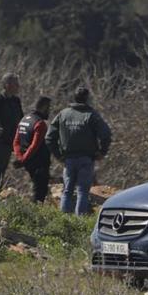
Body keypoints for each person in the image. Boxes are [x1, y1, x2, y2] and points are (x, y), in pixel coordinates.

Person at [49, 87, 112, 215]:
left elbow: (49, 137)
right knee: (83, 191)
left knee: (67, 190)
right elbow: (106, 134)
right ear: (87, 99)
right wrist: (102, 152)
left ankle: (63, 221)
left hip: (68, 159)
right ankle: (80, 222)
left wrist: (58, 155)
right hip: (86, 159)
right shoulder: (91, 115)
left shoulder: (63, 114)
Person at [12, 96, 53, 203]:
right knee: (39, 192)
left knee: (36, 187)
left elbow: (16, 142)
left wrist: (20, 158)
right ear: (43, 107)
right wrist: (23, 159)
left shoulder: (24, 119)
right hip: (38, 162)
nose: (49, 111)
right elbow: (35, 145)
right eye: (48, 108)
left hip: (28, 161)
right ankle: (34, 215)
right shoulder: (40, 124)